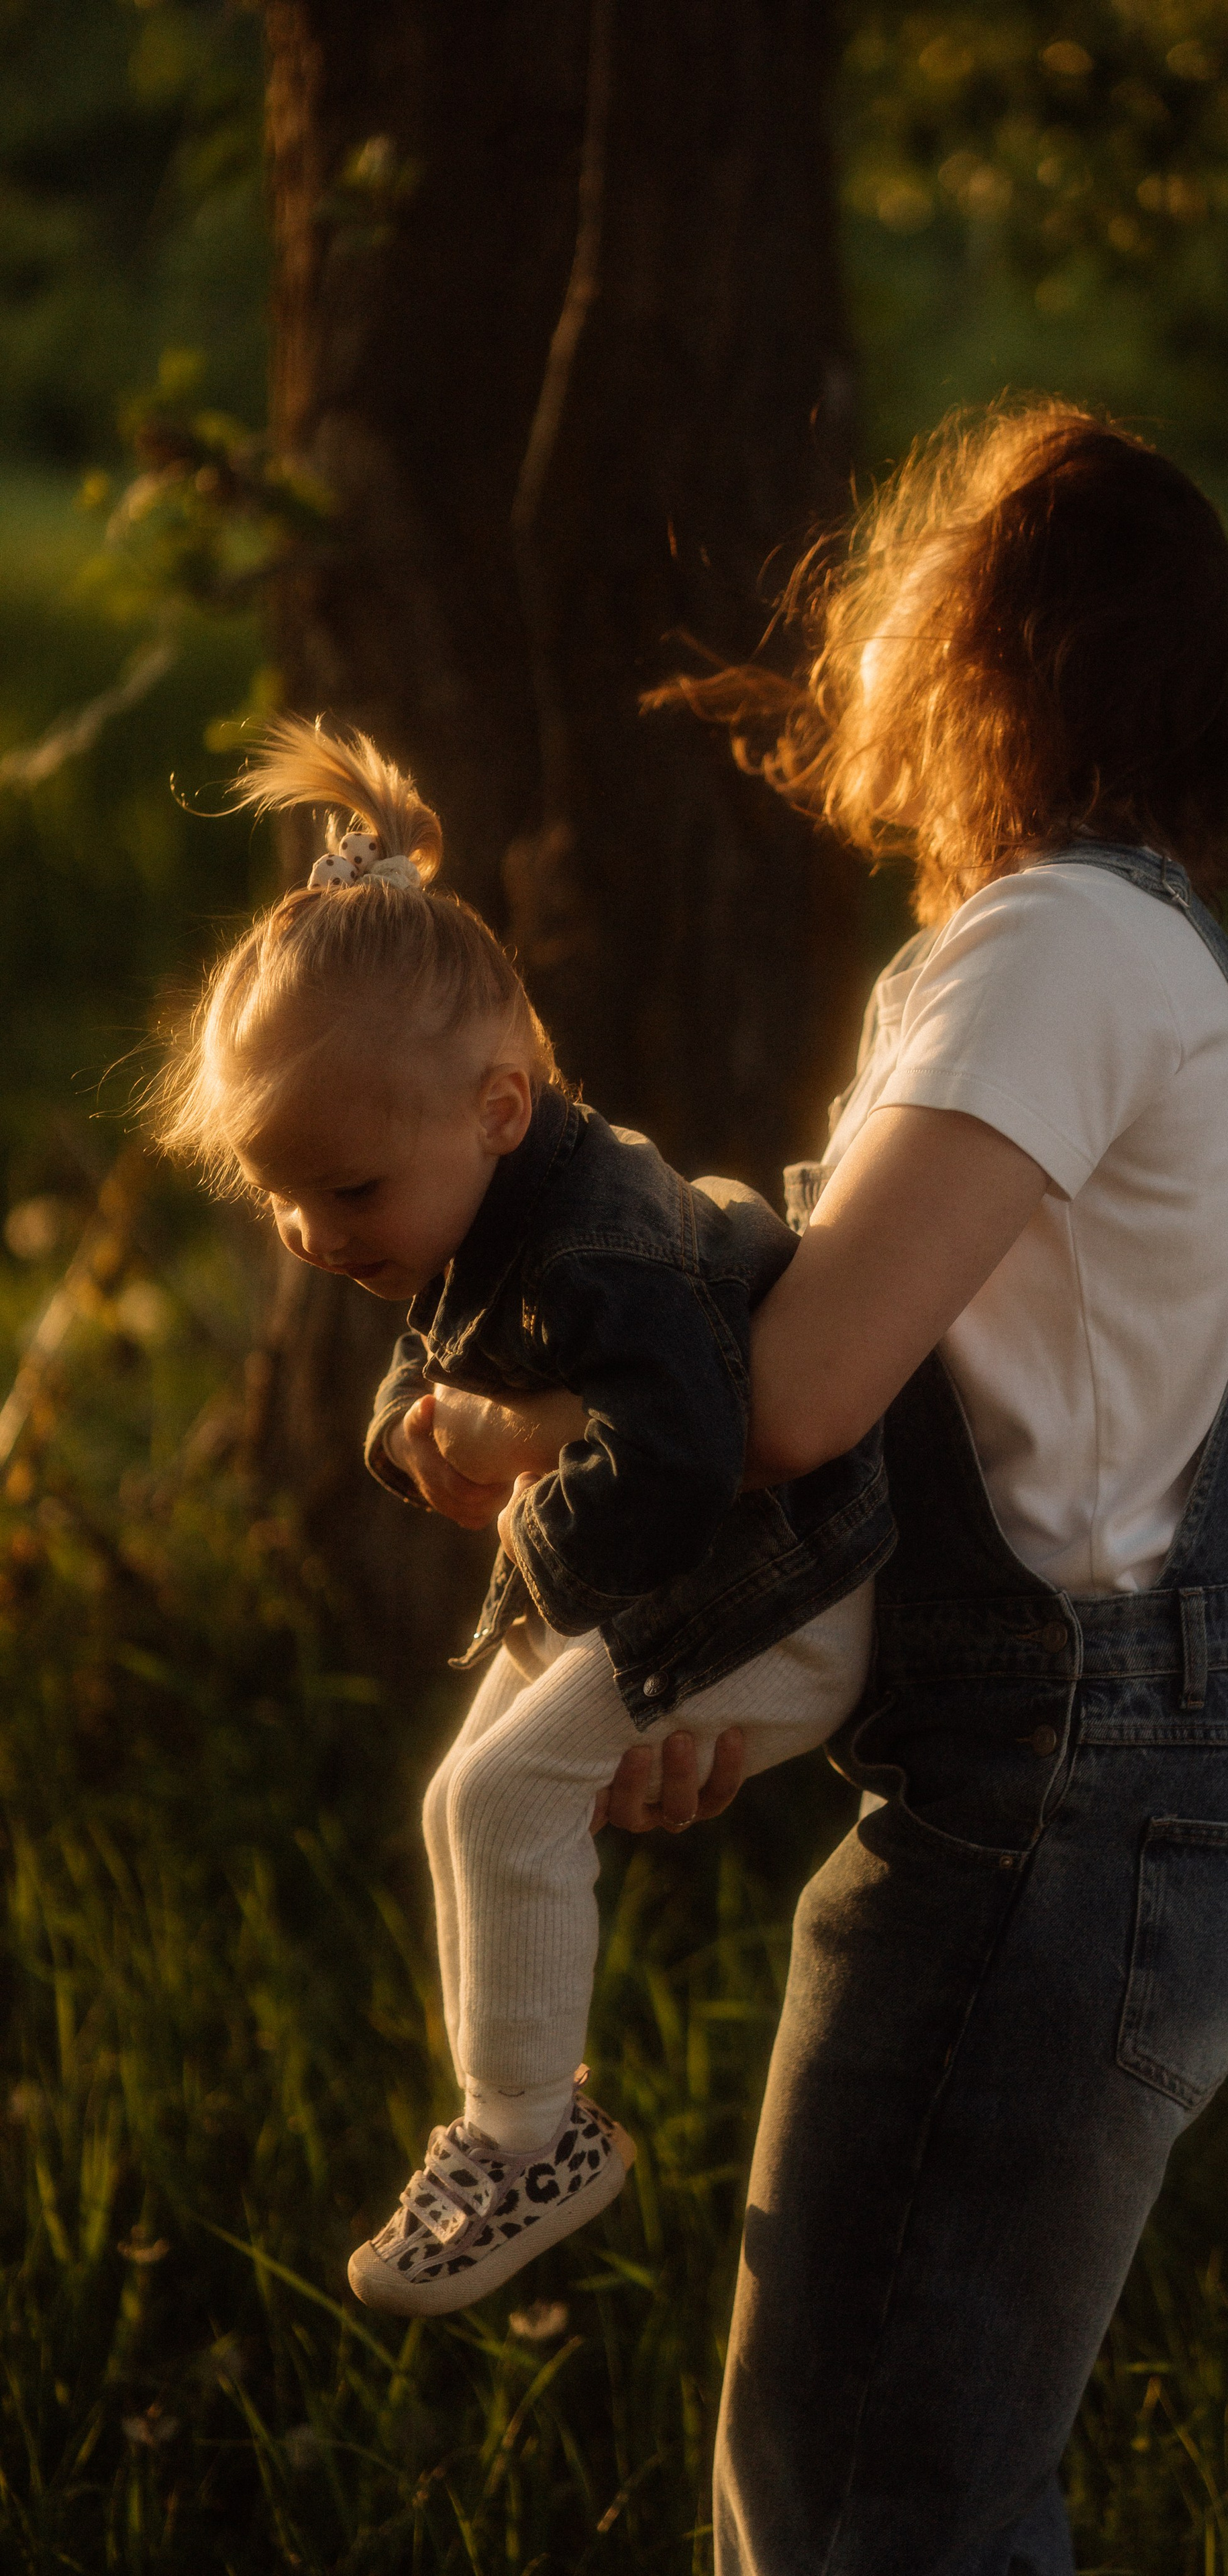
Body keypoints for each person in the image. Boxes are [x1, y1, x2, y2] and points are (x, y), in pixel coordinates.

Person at [598, 398, 1228, 2575]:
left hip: (1056, 1808)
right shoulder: (1147, 951)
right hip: (1081, 1778)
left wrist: (548, 1426)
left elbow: (803, 1395)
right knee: (912, 2491)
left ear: (987, 650)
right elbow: (1014, 1450)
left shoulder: (1055, 951)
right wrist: (738, 1683)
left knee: (862, 2517)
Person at [144, 716, 890, 2318]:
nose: (312, 1234)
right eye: (281, 1198)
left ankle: (527, 2141)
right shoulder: (482, 1201)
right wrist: (415, 1439)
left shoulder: (604, 1247)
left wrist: (526, 1519)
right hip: (677, 1576)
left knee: (498, 1795)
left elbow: (687, 1458)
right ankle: (516, 2123)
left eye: (346, 1193)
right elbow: (435, 1357)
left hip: (778, 1594)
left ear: (496, 1105)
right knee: (464, 1802)